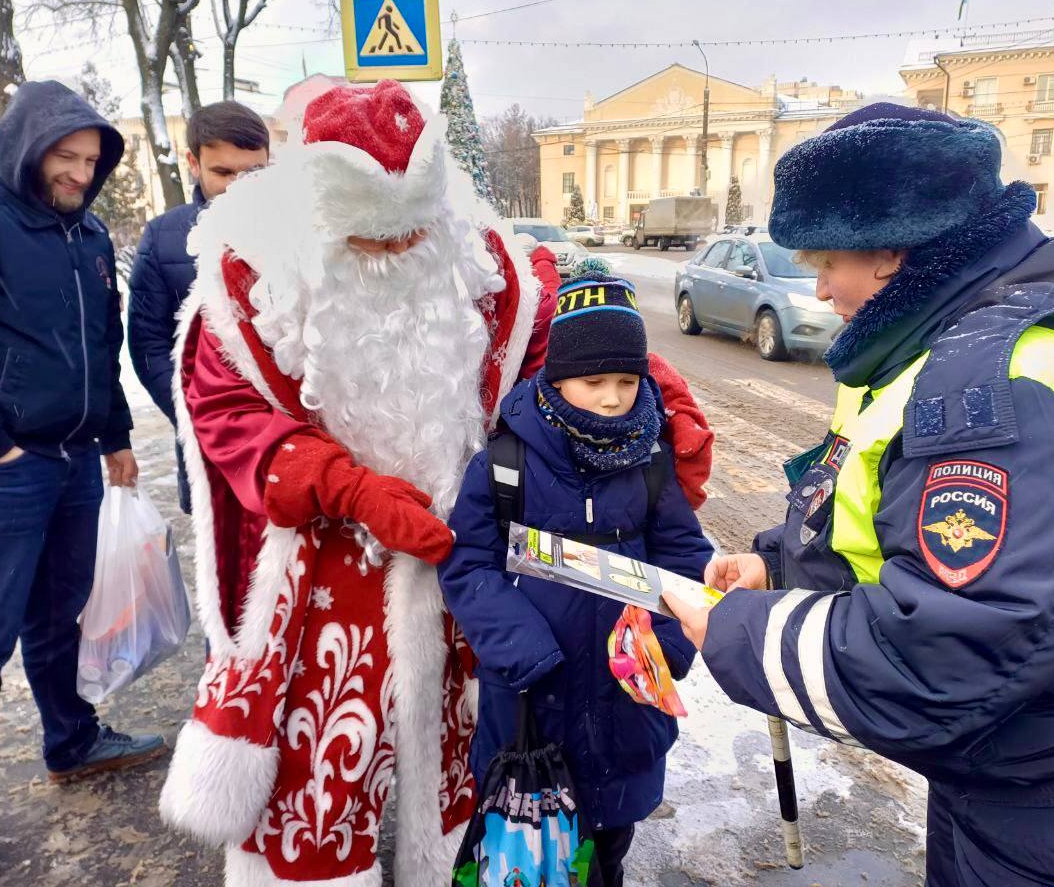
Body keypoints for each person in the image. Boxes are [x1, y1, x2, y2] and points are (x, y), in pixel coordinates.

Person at [156, 80, 713, 887]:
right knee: (322, 769)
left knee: (468, 759)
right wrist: (348, 489)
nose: (390, 256)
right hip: (324, 566)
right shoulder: (246, 283)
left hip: (469, 547)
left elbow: (568, 355)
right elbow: (227, 414)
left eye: (408, 237)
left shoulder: (486, 266)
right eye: (366, 242)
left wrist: (658, 400)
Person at [662, 102, 1054, 886]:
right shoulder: (945, 340)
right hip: (1029, 770)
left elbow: (942, 659)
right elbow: (886, 512)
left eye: (827, 260)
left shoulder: (1011, 380)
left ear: (894, 251)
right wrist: (783, 566)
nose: (822, 287)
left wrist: (741, 634)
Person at [0, 80, 166, 884]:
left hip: (78, 460)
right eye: (65, 156)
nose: (80, 173)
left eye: (91, 160)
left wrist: (114, 435)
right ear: (26, 146)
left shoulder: (84, 234)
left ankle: (71, 740)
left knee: (61, 617)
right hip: (3, 471)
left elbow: (98, 346)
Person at [439, 268, 714, 887]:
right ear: (558, 377)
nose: (613, 397)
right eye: (594, 382)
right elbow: (467, 563)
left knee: (606, 852)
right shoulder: (505, 462)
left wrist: (664, 649)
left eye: (626, 380)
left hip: (625, 710)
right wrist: (522, 648)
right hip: (532, 708)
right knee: (532, 860)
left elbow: (683, 559)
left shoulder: (649, 463)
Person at [127, 100, 270, 514]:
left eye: (253, 172)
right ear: (193, 162)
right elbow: (148, 344)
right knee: (223, 568)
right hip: (209, 446)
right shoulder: (163, 237)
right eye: (224, 172)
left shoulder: (302, 229)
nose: (240, 186)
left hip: (298, 442)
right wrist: (198, 417)